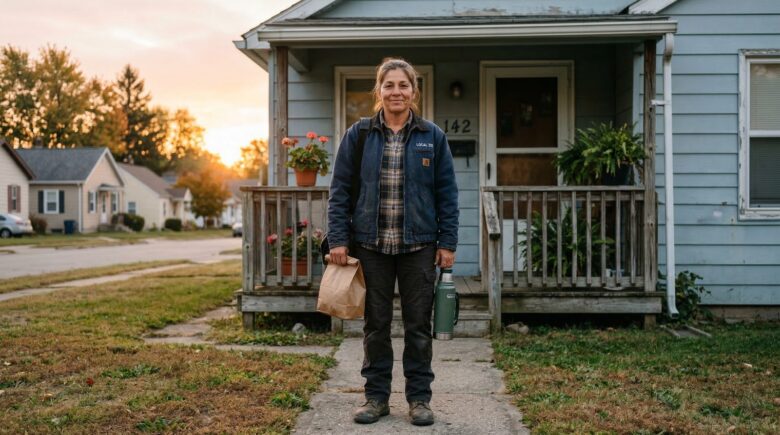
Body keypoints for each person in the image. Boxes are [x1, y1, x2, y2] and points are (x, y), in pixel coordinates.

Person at [327, 57, 459, 426]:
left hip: (418, 247)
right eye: (389, 85)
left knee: (418, 326)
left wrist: (446, 243)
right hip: (371, 246)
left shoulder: (431, 136)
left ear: (414, 91)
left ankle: (419, 399)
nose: (396, 92)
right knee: (376, 325)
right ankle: (376, 398)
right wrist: (338, 238)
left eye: (403, 85)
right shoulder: (360, 135)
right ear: (379, 91)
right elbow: (339, 191)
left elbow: (448, 194)